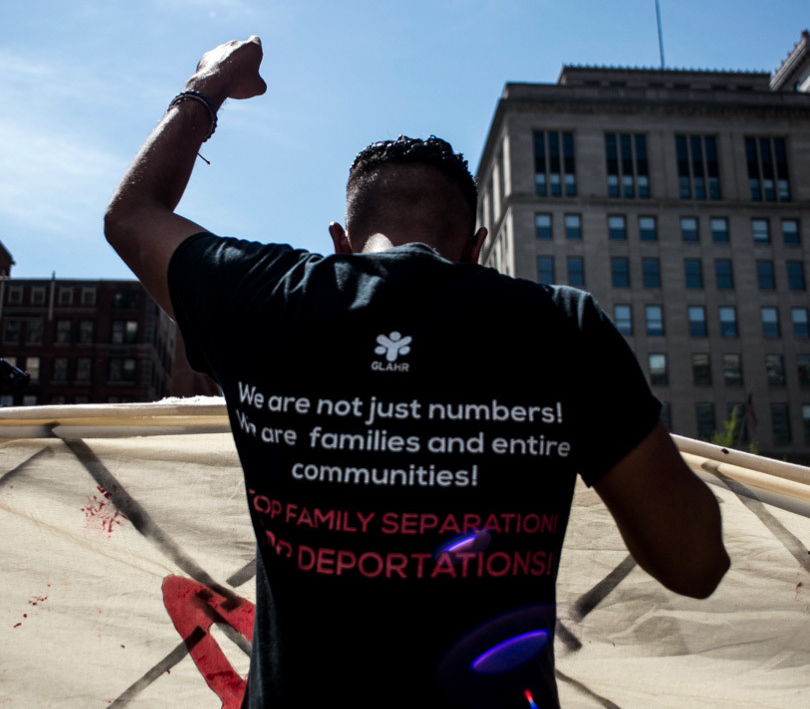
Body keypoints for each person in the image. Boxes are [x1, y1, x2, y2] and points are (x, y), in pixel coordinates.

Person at [105, 37, 729, 708]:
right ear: (478, 250)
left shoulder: (268, 303)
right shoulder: (560, 327)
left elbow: (132, 216)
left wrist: (211, 83)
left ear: (341, 243)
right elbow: (693, 563)